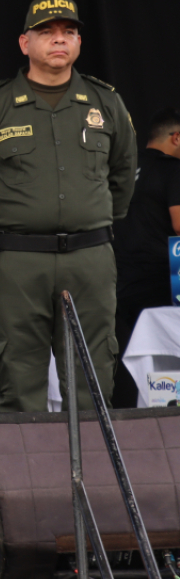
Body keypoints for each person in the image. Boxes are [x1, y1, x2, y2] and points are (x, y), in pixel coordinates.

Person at [0, 0, 135, 412]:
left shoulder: (106, 102)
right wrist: (6, 229)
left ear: (78, 43)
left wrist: (91, 221)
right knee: (19, 385)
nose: (60, 40)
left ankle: (93, 480)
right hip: (17, 263)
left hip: (89, 259)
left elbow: (123, 178)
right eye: (47, 32)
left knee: (92, 386)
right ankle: (28, 481)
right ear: (24, 43)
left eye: (69, 32)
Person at [112, 108, 180, 407]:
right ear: (176, 138)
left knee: (128, 365)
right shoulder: (173, 170)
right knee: (165, 366)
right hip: (160, 282)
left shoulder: (121, 170)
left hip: (118, 283)